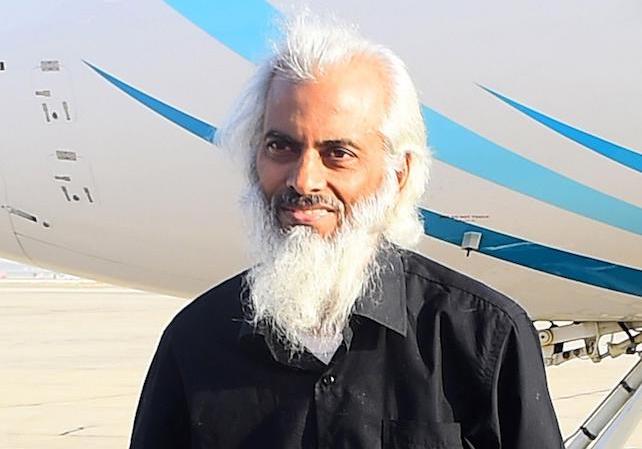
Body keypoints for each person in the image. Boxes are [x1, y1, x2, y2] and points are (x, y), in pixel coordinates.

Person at [130, 14, 564, 449]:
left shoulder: (481, 338)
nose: (304, 180)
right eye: (281, 146)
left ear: (398, 174)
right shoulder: (195, 344)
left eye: (337, 153)